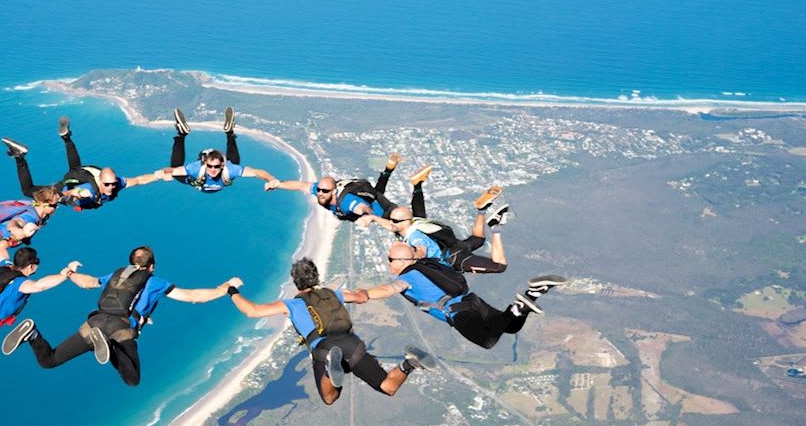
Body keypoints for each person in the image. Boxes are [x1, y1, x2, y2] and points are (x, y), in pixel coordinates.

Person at [1, 245, 239, 387]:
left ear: (131, 263)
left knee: (49, 360)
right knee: (132, 379)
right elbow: (192, 296)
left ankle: (32, 334)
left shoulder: (117, 274)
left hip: (95, 321)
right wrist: (224, 289)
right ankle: (107, 345)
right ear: (152, 266)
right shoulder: (155, 282)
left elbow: (88, 283)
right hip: (120, 329)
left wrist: (70, 273)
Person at [226, 257, 433, 405]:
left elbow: (252, 311)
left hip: (324, 348)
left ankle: (329, 369)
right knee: (387, 387)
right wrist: (360, 292)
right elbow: (362, 297)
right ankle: (410, 363)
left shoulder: (290, 304)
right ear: (316, 277)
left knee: (330, 398)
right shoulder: (334, 294)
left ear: (296, 282)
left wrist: (232, 290)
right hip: (353, 344)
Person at [344, 242, 565, 351]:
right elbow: (420, 249)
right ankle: (532, 294)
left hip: (459, 313)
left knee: (488, 341)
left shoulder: (409, 277)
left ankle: (516, 309)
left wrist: (361, 295)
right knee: (510, 327)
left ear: (401, 262)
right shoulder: (430, 262)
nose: (388, 262)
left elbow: (388, 290)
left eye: (390, 259)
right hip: (472, 300)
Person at [0, 116, 167, 210]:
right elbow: (78, 192)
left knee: (76, 169)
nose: (110, 187)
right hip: (64, 189)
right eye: (107, 184)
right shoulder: (88, 190)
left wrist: (158, 175)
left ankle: (66, 137)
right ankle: (19, 157)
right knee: (28, 190)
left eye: (112, 184)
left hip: (78, 176)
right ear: (100, 180)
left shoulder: (116, 184)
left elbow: (138, 180)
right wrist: (59, 198)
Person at [369, 184, 512, 274]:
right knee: (478, 240)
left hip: (455, 259)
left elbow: (421, 249)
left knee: (499, 267)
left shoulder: (415, 237)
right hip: (455, 246)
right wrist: (374, 218)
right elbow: (396, 222)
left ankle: (496, 227)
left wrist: (407, 258)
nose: (391, 223)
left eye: (395, 221)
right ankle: (482, 210)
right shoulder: (414, 224)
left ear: (405, 222)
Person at [265, 154, 418, 223]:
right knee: (377, 193)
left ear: (334, 191)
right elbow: (299, 185)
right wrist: (278, 184)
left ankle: (417, 185)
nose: (320, 194)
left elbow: (362, 208)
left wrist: (367, 217)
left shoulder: (346, 202)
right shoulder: (320, 191)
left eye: (325, 191)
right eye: (318, 190)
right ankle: (388, 169)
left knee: (410, 223)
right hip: (373, 198)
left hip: (385, 212)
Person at [163, 106, 280, 192]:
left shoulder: (204, 170)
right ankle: (230, 133)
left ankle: (181, 135)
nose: (213, 170)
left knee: (176, 171)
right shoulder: (201, 169)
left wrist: (271, 178)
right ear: (204, 163)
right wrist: (163, 174)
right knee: (234, 165)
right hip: (215, 175)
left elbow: (256, 172)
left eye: (216, 166)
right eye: (210, 166)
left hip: (208, 177)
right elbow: (256, 172)